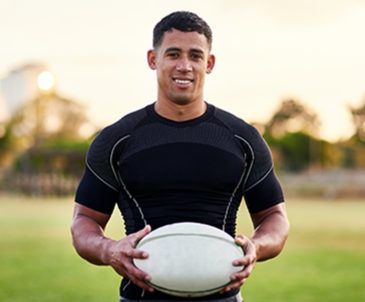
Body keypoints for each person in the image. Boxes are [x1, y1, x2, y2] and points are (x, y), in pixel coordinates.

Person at [71, 11, 289, 302]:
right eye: (173, 54)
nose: (184, 66)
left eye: (195, 56)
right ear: (153, 59)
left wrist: (257, 247)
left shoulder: (243, 139)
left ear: (209, 63)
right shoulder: (116, 140)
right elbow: (84, 221)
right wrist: (109, 249)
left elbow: (275, 217)